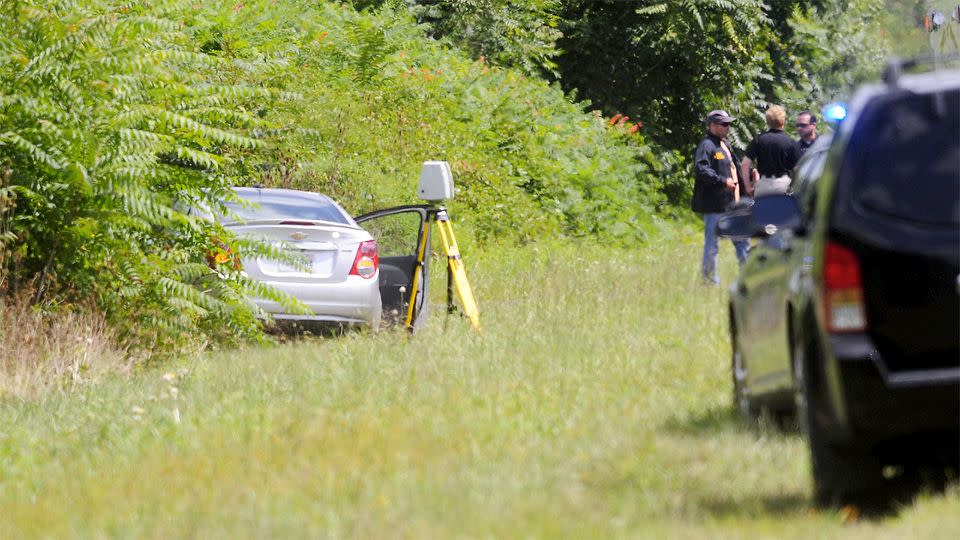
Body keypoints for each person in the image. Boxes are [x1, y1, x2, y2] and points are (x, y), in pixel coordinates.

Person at [692, 109, 750, 286]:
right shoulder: (707, 145)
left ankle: (748, 278)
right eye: (724, 124)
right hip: (715, 205)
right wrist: (722, 181)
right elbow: (701, 169)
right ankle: (709, 281)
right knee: (712, 245)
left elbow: (735, 169)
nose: (728, 127)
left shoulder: (725, 144)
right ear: (712, 126)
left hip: (733, 204)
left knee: (742, 241)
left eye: (729, 124)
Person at [740, 105, 800, 197]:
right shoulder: (791, 142)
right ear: (783, 121)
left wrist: (748, 187)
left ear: (767, 122)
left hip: (763, 186)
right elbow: (798, 169)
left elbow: (745, 164)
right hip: (784, 186)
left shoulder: (758, 140)